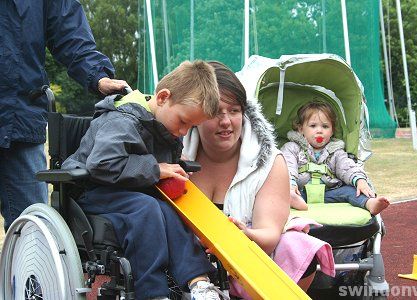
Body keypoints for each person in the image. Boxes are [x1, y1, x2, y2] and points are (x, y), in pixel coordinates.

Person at [62, 60, 225, 300]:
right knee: (147, 208)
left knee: (169, 210)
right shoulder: (121, 120)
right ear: (162, 98)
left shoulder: (162, 123)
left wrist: (176, 165)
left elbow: (157, 158)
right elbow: (101, 164)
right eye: (183, 121)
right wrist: (156, 169)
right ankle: (152, 292)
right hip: (92, 190)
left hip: (130, 191)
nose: (183, 132)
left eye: (192, 127)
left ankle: (198, 281)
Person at [183, 61, 335, 298]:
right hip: (187, 269)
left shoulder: (270, 161)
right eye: (215, 112)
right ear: (196, 115)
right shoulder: (173, 156)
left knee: (297, 245)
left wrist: (246, 235)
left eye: (234, 111)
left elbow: (270, 235)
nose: (226, 121)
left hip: (249, 264)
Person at [0, 0, 128, 232]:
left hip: (20, 121)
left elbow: (69, 32)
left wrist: (98, 75)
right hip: (21, 117)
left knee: (34, 233)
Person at [281, 101, 390, 215]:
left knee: (351, 191)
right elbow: (288, 166)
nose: (319, 130)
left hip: (329, 193)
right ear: (301, 129)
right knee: (280, 193)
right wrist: (291, 184)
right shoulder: (292, 148)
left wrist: (360, 180)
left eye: (325, 126)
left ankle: (369, 203)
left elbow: (347, 167)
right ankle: (292, 200)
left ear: (332, 131)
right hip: (299, 192)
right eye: (313, 126)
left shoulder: (336, 151)